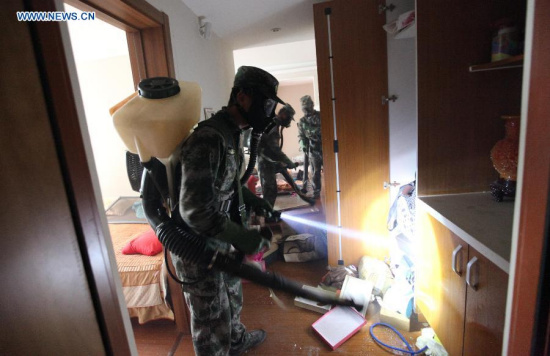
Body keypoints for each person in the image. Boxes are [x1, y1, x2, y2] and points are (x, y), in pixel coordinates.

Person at [173, 66, 284, 356]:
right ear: (243, 97)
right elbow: (194, 210)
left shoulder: (233, 134)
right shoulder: (209, 138)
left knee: (232, 297)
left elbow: (226, 183)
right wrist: (242, 236)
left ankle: (236, 343)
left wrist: (252, 198)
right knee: (212, 320)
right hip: (196, 246)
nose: (270, 114)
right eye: (267, 104)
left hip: (220, 237)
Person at [257, 104, 297, 207]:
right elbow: (275, 149)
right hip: (266, 162)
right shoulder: (273, 126)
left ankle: (268, 213)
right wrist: (289, 162)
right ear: (283, 114)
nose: (288, 121)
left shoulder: (274, 123)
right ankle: (267, 215)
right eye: (288, 118)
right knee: (270, 190)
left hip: (268, 161)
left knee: (270, 189)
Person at [297, 95, 323, 198]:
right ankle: (316, 192)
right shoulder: (302, 121)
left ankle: (333, 188)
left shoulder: (321, 116)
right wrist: (303, 144)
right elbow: (301, 135)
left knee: (330, 169)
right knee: (315, 172)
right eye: (305, 109)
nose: (307, 111)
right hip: (312, 149)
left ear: (312, 105)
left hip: (325, 147)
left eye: (308, 108)